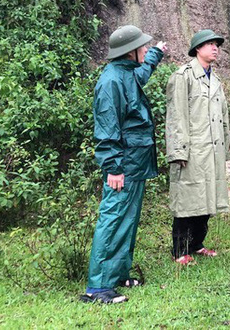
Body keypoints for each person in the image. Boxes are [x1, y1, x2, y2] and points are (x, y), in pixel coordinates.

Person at [81, 25, 167, 304]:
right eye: (142, 46)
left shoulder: (127, 73)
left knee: (127, 221)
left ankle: (117, 275)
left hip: (135, 162)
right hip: (123, 165)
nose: (145, 48)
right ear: (130, 52)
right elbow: (107, 128)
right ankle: (98, 287)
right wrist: (113, 168)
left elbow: (143, 73)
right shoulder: (111, 82)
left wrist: (156, 53)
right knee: (113, 219)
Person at [166, 29, 230, 265]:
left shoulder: (216, 80)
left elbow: (224, 118)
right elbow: (176, 116)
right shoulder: (182, 76)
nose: (215, 48)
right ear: (197, 49)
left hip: (212, 151)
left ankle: (197, 244)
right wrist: (178, 151)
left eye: (216, 45)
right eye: (209, 44)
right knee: (187, 200)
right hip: (192, 150)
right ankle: (179, 250)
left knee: (207, 199)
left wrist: (225, 150)